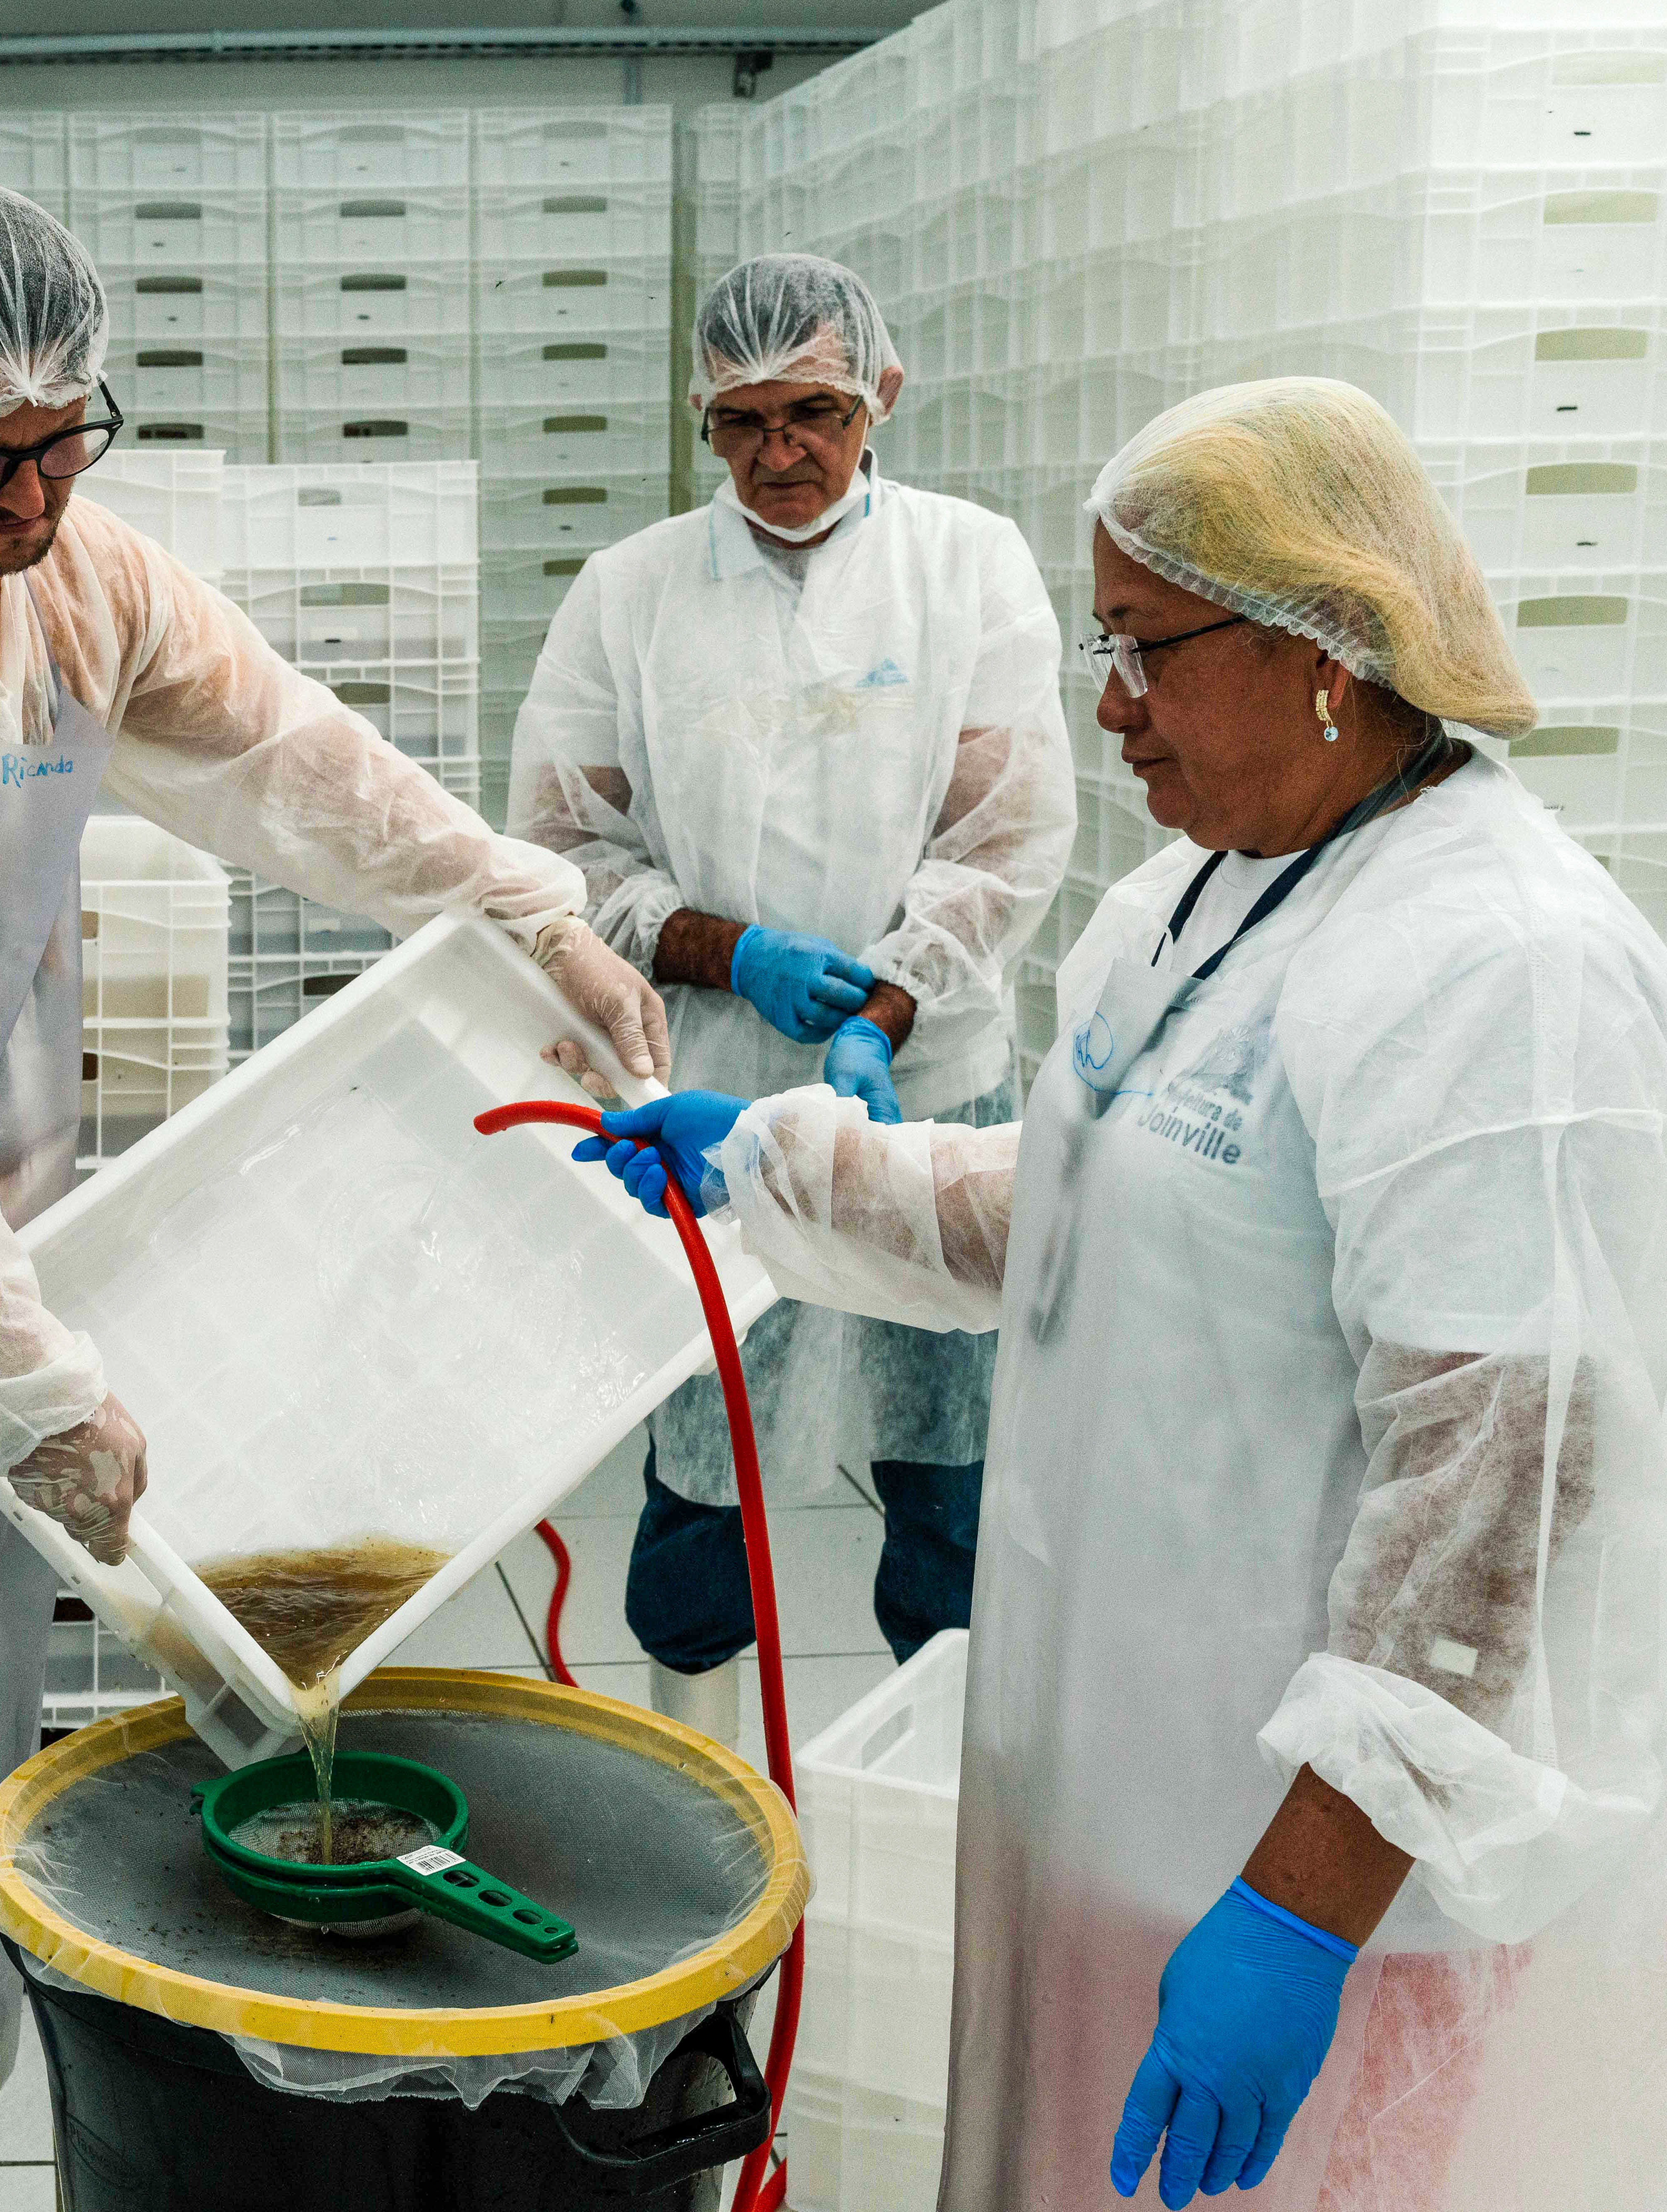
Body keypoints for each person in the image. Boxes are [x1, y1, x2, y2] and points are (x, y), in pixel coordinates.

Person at [0, 181, 669, 2212]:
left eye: (60, 437)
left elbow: (302, 767)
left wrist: (529, 910)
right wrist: (27, 1391)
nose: (22, 491)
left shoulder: (77, 578)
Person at [579, 377, 1667, 2209]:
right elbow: (1083, 1202)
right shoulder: (1195, 896)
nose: (1105, 708)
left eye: (1144, 651)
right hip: (1119, 1805)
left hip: (1322, 1891)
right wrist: (765, 1158)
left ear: (1325, 647)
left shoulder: (1494, 967)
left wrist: (1301, 1911)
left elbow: (1498, 1489)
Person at [508, 253, 1072, 1743]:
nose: (780, 454)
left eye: (813, 412)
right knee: (707, 1460)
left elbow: (1008, 838)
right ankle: (693, 1774)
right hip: (714, 1092)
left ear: (880, 396)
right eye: (742, 421)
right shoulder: (631, 596)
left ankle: (942, 1783)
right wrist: (720, 950)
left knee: (944, 1452)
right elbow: (561, 851)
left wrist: (886, 1010)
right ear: (706, 421)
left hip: (928, 1092)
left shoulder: (970, 566)